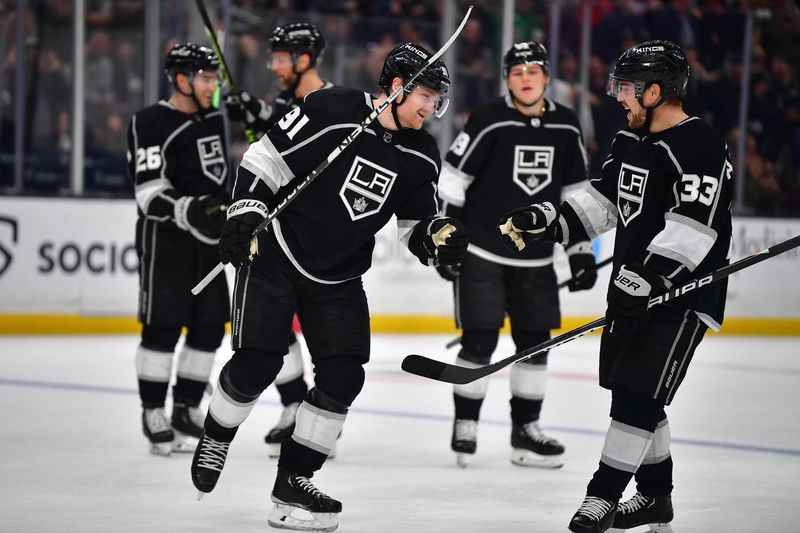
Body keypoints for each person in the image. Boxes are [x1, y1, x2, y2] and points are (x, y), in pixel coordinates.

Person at [191, 43, 468, 532]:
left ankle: (293, 480)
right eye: (425, 95)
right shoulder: (332, 107)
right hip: (276, 253)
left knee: (344, 375)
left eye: (437, 100)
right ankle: (216, 434)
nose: (431, 109)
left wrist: (435, 237)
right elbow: (266, 158)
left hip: (339, 275)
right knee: (257, 362)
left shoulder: (422, 154)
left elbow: (413, 224)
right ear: (397, 86)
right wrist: (246, 210)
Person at [496, 40, 733, 532]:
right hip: (632, 287)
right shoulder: (630, 141)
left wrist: (647, 276)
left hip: (679, 295)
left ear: (657, 90)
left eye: (626, 88)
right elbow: (604, 201)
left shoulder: (701, 144)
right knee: (634, 395)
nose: (618, 97)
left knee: (637, 399)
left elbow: (694, 223)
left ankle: (600, 498)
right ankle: (655, 497)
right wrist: (548, 218)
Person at [437, 41, 597, 469]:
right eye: (517, 71)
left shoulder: (566, 125)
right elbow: (453, 181)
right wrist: (447, 240)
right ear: (506, 79)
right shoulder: (489, 119)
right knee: (479, 341)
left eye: (533, 70)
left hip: (538, 259)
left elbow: (575, 195)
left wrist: (580, 250)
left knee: (535, 346)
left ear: (547, 77)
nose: (525, 78)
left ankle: (525, 432)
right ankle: (465, 423)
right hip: (482, 254)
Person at [225, 21, 335, 459]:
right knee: (273, 329)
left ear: (304, 59)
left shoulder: (330, 104)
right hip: (274, 232)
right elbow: (273, 154)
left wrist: (262, 117)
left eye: (281, 58)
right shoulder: (288, 102)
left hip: (312, 238)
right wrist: (257, 116)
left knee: (321, 334)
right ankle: (294, 407)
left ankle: (319, 417)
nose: (273, 66)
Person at [126, 43, 229, 456]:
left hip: (210, 244)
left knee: (208, 328)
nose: (212, 86)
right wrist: (189, 208)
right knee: (163, 327)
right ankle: (153, 410)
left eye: (215, 78)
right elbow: (148, 192)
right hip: (165, 240)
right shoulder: (151, 122)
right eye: (205, 78)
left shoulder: (215, 118)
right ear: (182, 79)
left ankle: (186, 408)